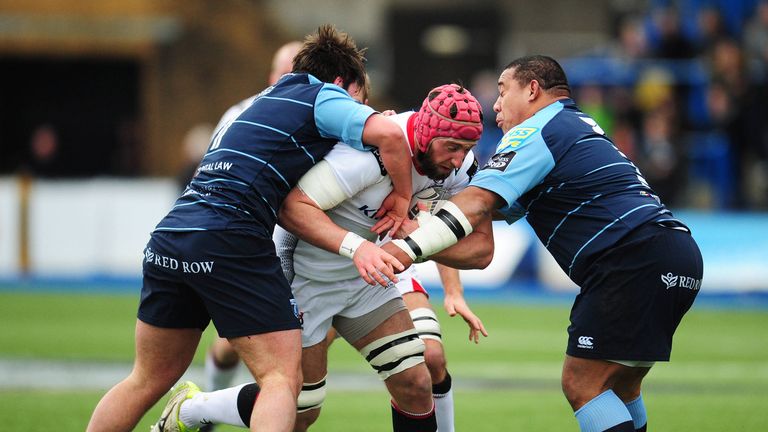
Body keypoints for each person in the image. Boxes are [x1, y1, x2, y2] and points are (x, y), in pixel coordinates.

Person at [86, 24, 414, 432]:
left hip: (172, 234)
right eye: (359, 102)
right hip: (230, 233)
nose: (357, 116)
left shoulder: (257, 103)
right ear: (341, 83)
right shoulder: (322, 94)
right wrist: (402, 198)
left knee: (146, 378)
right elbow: (388, 134)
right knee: (281, 380)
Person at [379, 56, 703, 432]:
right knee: (622, 386)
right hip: (676, 253)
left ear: (532, 90)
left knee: (582, 382)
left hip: (632, 256)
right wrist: (423, 200)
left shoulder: (536, 130)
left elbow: (477, 202)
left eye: (502, 91)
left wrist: (404, 248)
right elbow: (489, 209)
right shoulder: (575, 126)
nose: (495, 105)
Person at [150, 84, 491, 432]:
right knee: (301, 408)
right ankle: (194, 409)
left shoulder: (460, 168)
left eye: (466, 149)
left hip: (366, 282)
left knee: (417, 383)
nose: (456, 160)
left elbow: (481, 249)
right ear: (424, 131)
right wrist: (357, 247)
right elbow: (292, 209)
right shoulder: (366, 155)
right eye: (452, 147)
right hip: (308, 281)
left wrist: (414, 241)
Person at [202, 40, 303, 404]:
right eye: (288, 72)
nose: (297, 79)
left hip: (306, 240)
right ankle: (207, 406)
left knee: (290, 360)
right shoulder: (241, 113)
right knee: (243, 346)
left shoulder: (323, 111)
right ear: (272, 77)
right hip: (255, 239)